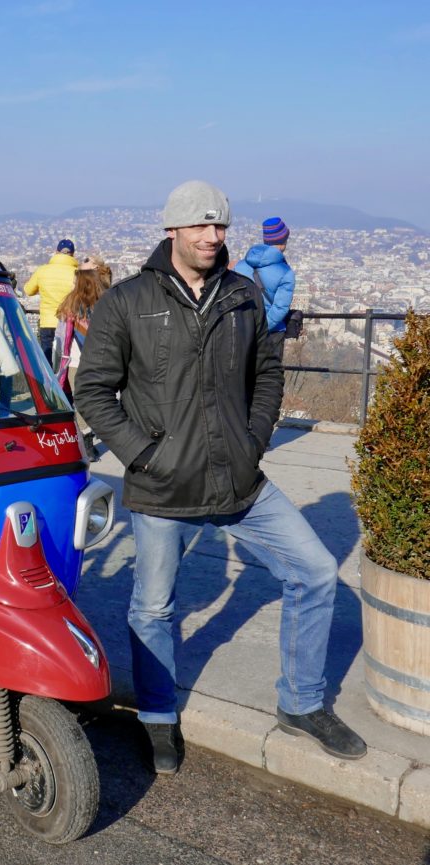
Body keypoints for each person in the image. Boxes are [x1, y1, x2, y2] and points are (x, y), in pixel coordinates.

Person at [75, 180, 366, 774]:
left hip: (238, 480)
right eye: (202, 226)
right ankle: (157, 717)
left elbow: (266, 375)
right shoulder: (127, 301)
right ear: (172, 231)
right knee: (152, 608)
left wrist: (254, 439)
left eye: (222, 227)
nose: (214, 236)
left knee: (315, 571)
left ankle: (303, 703)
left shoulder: (243, 296)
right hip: (162, 486)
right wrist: (142, 453)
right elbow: (93, 391)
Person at [56, 262, 109, 460]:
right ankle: (85, 439)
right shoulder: (104, 303)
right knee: (92, 401)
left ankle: (84, 439)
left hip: (75, 361)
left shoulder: (70, 304)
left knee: (81, 402)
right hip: (97, 361)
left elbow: (61, 335)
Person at [234, 217, 295, 359]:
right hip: (271, 333)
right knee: (269, 377)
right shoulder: (285, 272)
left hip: (244, 328)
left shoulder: (241, 266)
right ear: (283, 240)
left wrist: (249, 327)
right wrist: (261, 328)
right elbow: (280, 308)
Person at [22, 238, 78, 365]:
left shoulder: (42, 270)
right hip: (67, 322)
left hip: (47, 321)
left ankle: (48, 383)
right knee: (65, 359)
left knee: (47, 362)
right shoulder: (77, 273)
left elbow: (28, 290)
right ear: (73, 254)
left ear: (56, 252)